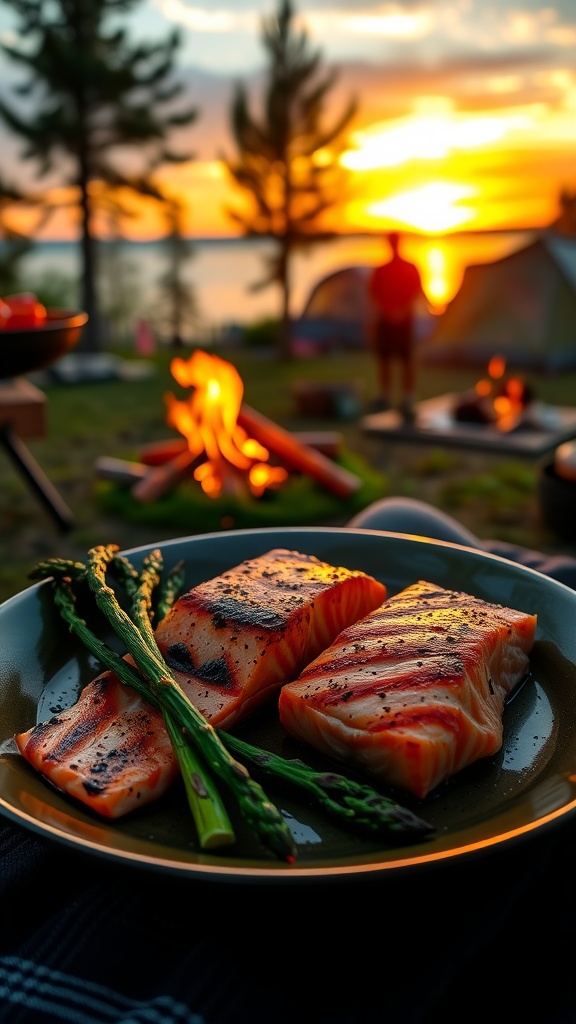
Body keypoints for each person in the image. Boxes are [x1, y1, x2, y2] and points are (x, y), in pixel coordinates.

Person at [367, 230, 424, 420]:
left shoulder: (409, 267)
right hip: (386, 320)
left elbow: (416, 290)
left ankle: (408, 397)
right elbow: (374, 293)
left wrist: (402, 311)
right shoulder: (382, 270)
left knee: (406, 360)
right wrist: (386, 311)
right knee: (385, 360)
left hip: (404, 320)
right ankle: (385, 396)